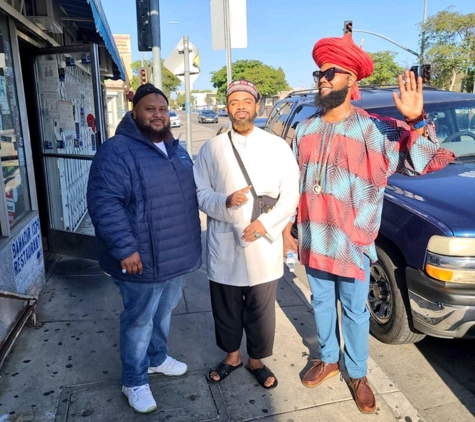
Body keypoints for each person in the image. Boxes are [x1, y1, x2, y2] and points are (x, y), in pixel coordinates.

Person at [284, 33, 455, 414]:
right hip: (314, 238)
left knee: (356, 310)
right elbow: (293, 185)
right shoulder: (306, 130)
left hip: (353, 242)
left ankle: (357, 372)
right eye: (319, 72)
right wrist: (288, 230)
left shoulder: (377, 129)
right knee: (322, 304)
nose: (323, 78)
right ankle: (328, 358)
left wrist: (415, 119)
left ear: (352, 81)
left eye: (331, 72)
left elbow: (422, 162)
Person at [87, 83, 202, 414]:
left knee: (163, 312)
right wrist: (125, 249)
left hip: (175, 256)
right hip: (140, 259)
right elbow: (104, 203)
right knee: (138, 321)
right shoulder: (117, 150)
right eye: (150, 109)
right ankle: (133, 381)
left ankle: (156, 358)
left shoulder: (176, 149)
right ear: (134, 111)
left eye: (163, 109)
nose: (157, 114)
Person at [193, 79, 299, 389]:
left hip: (264, 243)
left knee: (261, 309)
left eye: (246, 101)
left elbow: (291, 195)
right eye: (234, 101)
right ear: (226, 108)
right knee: (226, 307)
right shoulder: (211, 148)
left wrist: (266, 225)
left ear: (257, 106)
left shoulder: (277, 146)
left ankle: (256, 360)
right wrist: (224, 201)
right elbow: (200, 193)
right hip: (225, 240)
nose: (240, 106)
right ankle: (232, 357)